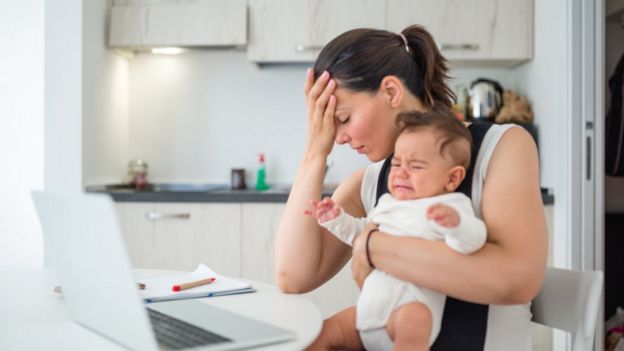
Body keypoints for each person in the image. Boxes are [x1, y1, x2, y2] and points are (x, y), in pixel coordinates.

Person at [275, 24, 548, 350]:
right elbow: (294, 276)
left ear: (391, 91)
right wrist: (314, 151)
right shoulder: (371, 180)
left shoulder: (501, 146)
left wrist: (369, 246)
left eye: (344, 119)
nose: (339, 137)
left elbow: (516, 280)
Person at [305, 110, 487, 350]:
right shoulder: (388, 203)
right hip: (367, 312)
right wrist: (335, 219)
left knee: (416, 319)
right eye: (397, 163)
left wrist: (456, 225)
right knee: (322, 332)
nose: (401, 172)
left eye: (416, 166)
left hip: (407, 311)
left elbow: (473, 240)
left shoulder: (450, 207)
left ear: (452, 178)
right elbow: (362, 235)